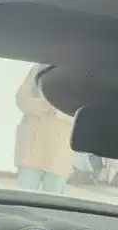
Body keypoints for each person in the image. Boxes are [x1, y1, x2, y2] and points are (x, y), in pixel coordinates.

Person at [14, 65, 74, 193]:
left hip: (60, 149)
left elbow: (81, 111)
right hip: (31, 148)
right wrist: (43, 105)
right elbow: (21, 99)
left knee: (53, 199)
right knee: (25, 196)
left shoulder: (79, 72)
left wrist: (57, 109)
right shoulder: (39, 68)